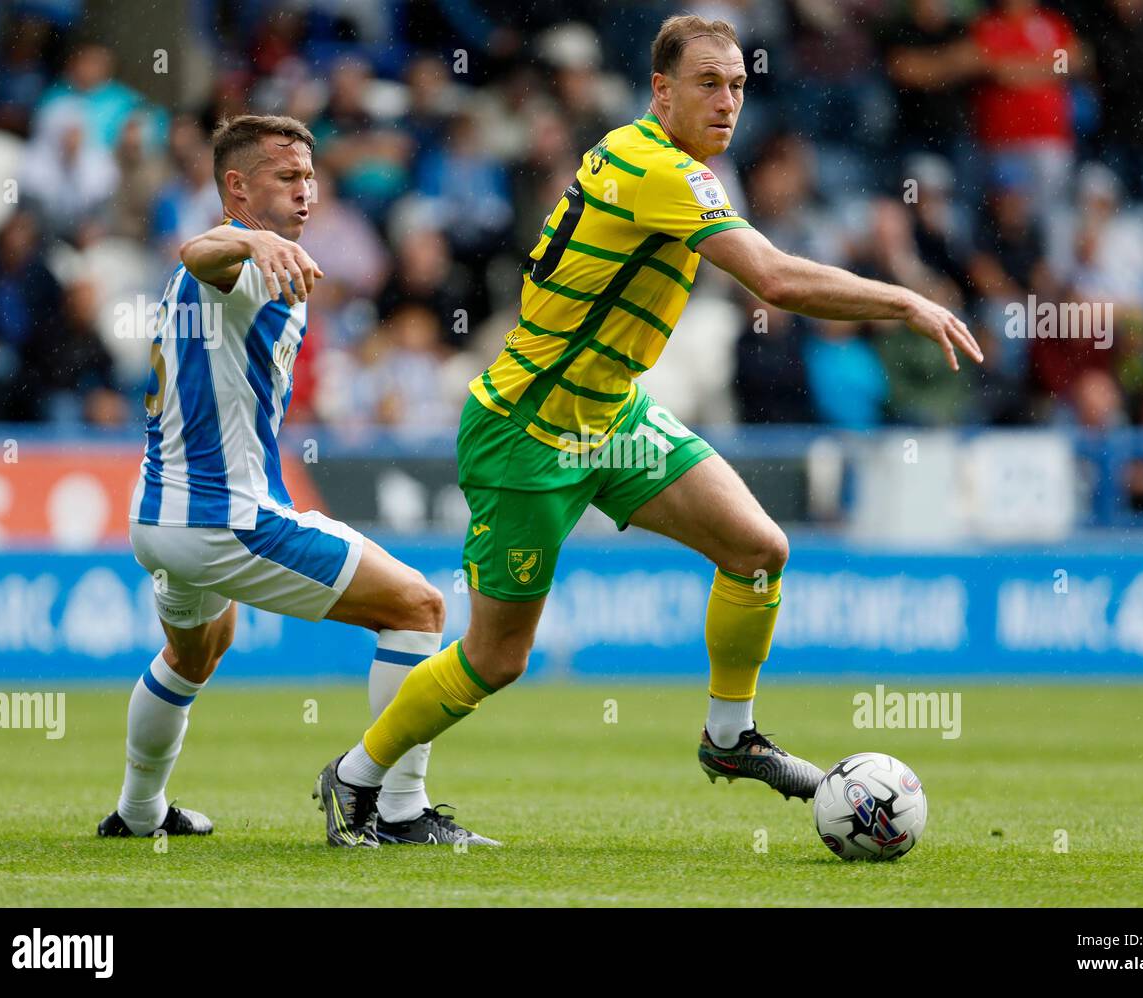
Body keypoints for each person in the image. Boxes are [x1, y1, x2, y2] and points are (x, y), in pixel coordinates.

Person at [315, 15, 982, 847]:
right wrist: (907, 299)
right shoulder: (659, 169)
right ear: (660, 90)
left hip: (612, 416)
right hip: (529, 428)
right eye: (708, 83)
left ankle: (730, 737)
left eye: (739, 85)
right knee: (496, 657)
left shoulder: (664, 163)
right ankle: (354, 777)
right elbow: (772, 278)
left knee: (757, 549)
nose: (728, 100)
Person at [98, 114, 495, 848]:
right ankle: (401, 808)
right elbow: (198, 248)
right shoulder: (232, 264)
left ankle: (140, 813)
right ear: (236, 187)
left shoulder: (265, 269)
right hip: (224, 519)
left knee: (195, 654)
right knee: (417, 607)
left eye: (311, 177)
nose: (307, 191)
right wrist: (252, 237)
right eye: (287, 178)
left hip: (162, 516)